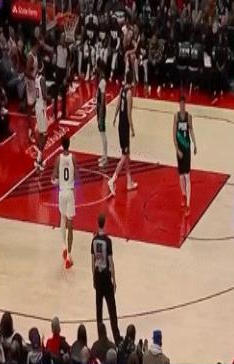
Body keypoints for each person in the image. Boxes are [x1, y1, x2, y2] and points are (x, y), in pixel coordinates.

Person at [91, 213, 121, 343]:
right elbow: (110, 261)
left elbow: (92, 261)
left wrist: (93, 277)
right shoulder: (108, 241)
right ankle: (116, 336)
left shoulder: (94, 240)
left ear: (98, 224)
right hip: (106, 276)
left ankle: (100, 336)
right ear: (105, 223)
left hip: (98, 275)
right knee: (111, 308)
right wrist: (114, 279)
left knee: (99, 308)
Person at [108, 70, 137, 195]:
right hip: (125, 126)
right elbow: (129, 114)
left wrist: (115, 117)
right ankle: (113, 178)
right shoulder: (129, 93)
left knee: (127, 154)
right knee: (125, 155)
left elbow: (118, 105)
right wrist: (133, 129)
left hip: (120, 124)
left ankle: (129, 182)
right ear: (133, 80)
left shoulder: (122, 90)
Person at [51, 136, 78, 269]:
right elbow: (76, 176)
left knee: (62, 218)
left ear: (62, 145)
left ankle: (63, 247)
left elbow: (53, 177)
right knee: (70, 224)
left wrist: (57, 181)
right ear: (69, 144)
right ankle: (69, 256)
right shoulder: (73, 158)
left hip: (61, 192)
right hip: (70, 192)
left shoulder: (58, 159)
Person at [173, 95, 197, 217]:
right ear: (179, 105)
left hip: (187, 148)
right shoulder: (176, 117)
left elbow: (191, 130)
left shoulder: (188, 117)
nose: (182, 106)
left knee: (187, 176)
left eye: (183, 104)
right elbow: (173, 134)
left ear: (185, 104)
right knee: (181, 175)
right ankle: (183, 194)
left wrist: (195, 143)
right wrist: (177, 149)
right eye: (180, 104)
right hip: (180, 149)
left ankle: (188, 205)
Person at [33, 62, 47, 172]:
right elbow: (45, 95)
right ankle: (38, 159)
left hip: (38, 105)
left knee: (42, 134)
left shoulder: (36, 78)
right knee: (44, 135)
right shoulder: (42, 79)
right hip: (41, 107)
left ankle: (40, 158)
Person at [96, 59, 108, 167]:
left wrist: (100, 114)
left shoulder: (103, 81)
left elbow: (103, 98)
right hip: (99, 107)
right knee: (101, 132)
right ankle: (104, 155)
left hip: (101, 108)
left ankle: (105, 157)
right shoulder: (100, 79)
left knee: (103, 133)